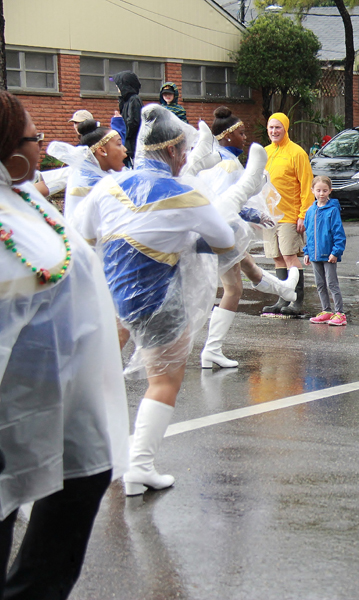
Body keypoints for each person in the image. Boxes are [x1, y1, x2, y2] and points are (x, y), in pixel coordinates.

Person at [74, 105, 265, 495]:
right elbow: (224, 240)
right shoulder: (184, 193)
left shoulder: (107, 187)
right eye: (184, 150)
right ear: (173, 150)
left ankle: (98, 454)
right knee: (163, 382)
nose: (185, 158)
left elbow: (84, 235)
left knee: (102, 374)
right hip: (160, 302)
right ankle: (139, 467)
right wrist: (184, 238)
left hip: (114, 298)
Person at [0, 90, 129, 598]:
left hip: (65, 405)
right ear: (10, 150)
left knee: (83, 480)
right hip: (19, 413)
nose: (42, 146)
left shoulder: (22, 194)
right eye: (34, 138)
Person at [198, 106, 301, 368]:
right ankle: (212, 349)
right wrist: (255, 215)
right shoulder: (228, 163)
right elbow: (225, 202)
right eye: (241, 133)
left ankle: (284, 289)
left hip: (213, 230)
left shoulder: (213, 159)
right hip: (220, 231)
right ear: (227, 135)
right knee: (234, 289)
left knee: (248, 266)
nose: (245, 138)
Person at [262, 112, 314, 317]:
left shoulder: (297, 153)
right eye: (271, 127)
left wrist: (303, 215)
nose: (274, 131)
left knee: (289, 256)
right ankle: (282, 298)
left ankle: (296, 299)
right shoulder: (265, 152)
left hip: (289, 215)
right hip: (269, 216)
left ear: (286, 128)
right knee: (277, 258)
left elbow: (306, 186)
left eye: (278, 127)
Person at [47, 119, 129, 219]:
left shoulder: (104, 176)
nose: (125, 149)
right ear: (102, 150)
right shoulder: (86, 185)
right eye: (119, 144)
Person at [304, 176, 347, 326]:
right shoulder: (310, 211)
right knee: (320, 284)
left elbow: (338, 233)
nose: (321, 193)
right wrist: (307, 252)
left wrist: (336, 252)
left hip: (329, 255)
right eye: (318, 190)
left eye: (324, 190)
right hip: (314, 255)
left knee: (332, 283)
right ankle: (326, 310)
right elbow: (309, 233)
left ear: (330, 191)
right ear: (312, 191)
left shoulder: (333, 210)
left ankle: (340, 313)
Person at [112, 70, 143, 163]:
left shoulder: (134, 100)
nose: (116, 86)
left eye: (118, 84)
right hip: (128, 146)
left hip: (132, 148)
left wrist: (121, 127)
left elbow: (133, 123)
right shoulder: (125, 101)